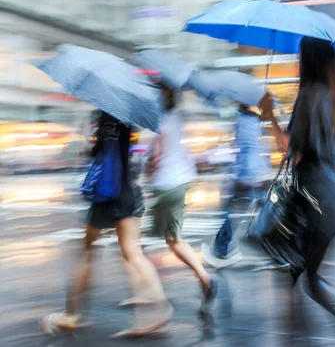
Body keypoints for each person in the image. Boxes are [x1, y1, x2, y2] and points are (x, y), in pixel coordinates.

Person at [260, 36, 335, 346]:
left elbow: (293, 151)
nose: (297, 62)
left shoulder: (310, 96)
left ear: (309, 60)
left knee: (312, 281)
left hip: (316, 202)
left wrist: (269, 117)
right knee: (294, 270)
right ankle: (296, 336)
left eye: (300, 57)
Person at [42, 112, 172, 337]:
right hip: (127, 191)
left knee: (87, 253)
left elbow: (100, 153)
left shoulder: (107, 114)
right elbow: (126, 150)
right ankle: (160, 307)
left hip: (107, 192)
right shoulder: (129, 116)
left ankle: (71, 315)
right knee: (133, 253)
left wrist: (90, 140)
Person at [143, 84, 218, 308]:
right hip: (179, 181)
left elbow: (157, 156)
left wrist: (149, 166)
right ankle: (151, 290)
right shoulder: (176, 117)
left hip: (166, 183)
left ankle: (202, 278)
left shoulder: (161, 121)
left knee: (169, 240)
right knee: (166, 239)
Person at [201, 99, 272, 268]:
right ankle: (224, 250)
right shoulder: (256, 119)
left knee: (227, 211)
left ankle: (223, 251)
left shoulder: (244, 119)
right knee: (253, 212)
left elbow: (247, 148)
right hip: (256, 174)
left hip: (247, 176)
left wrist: (243, 176)